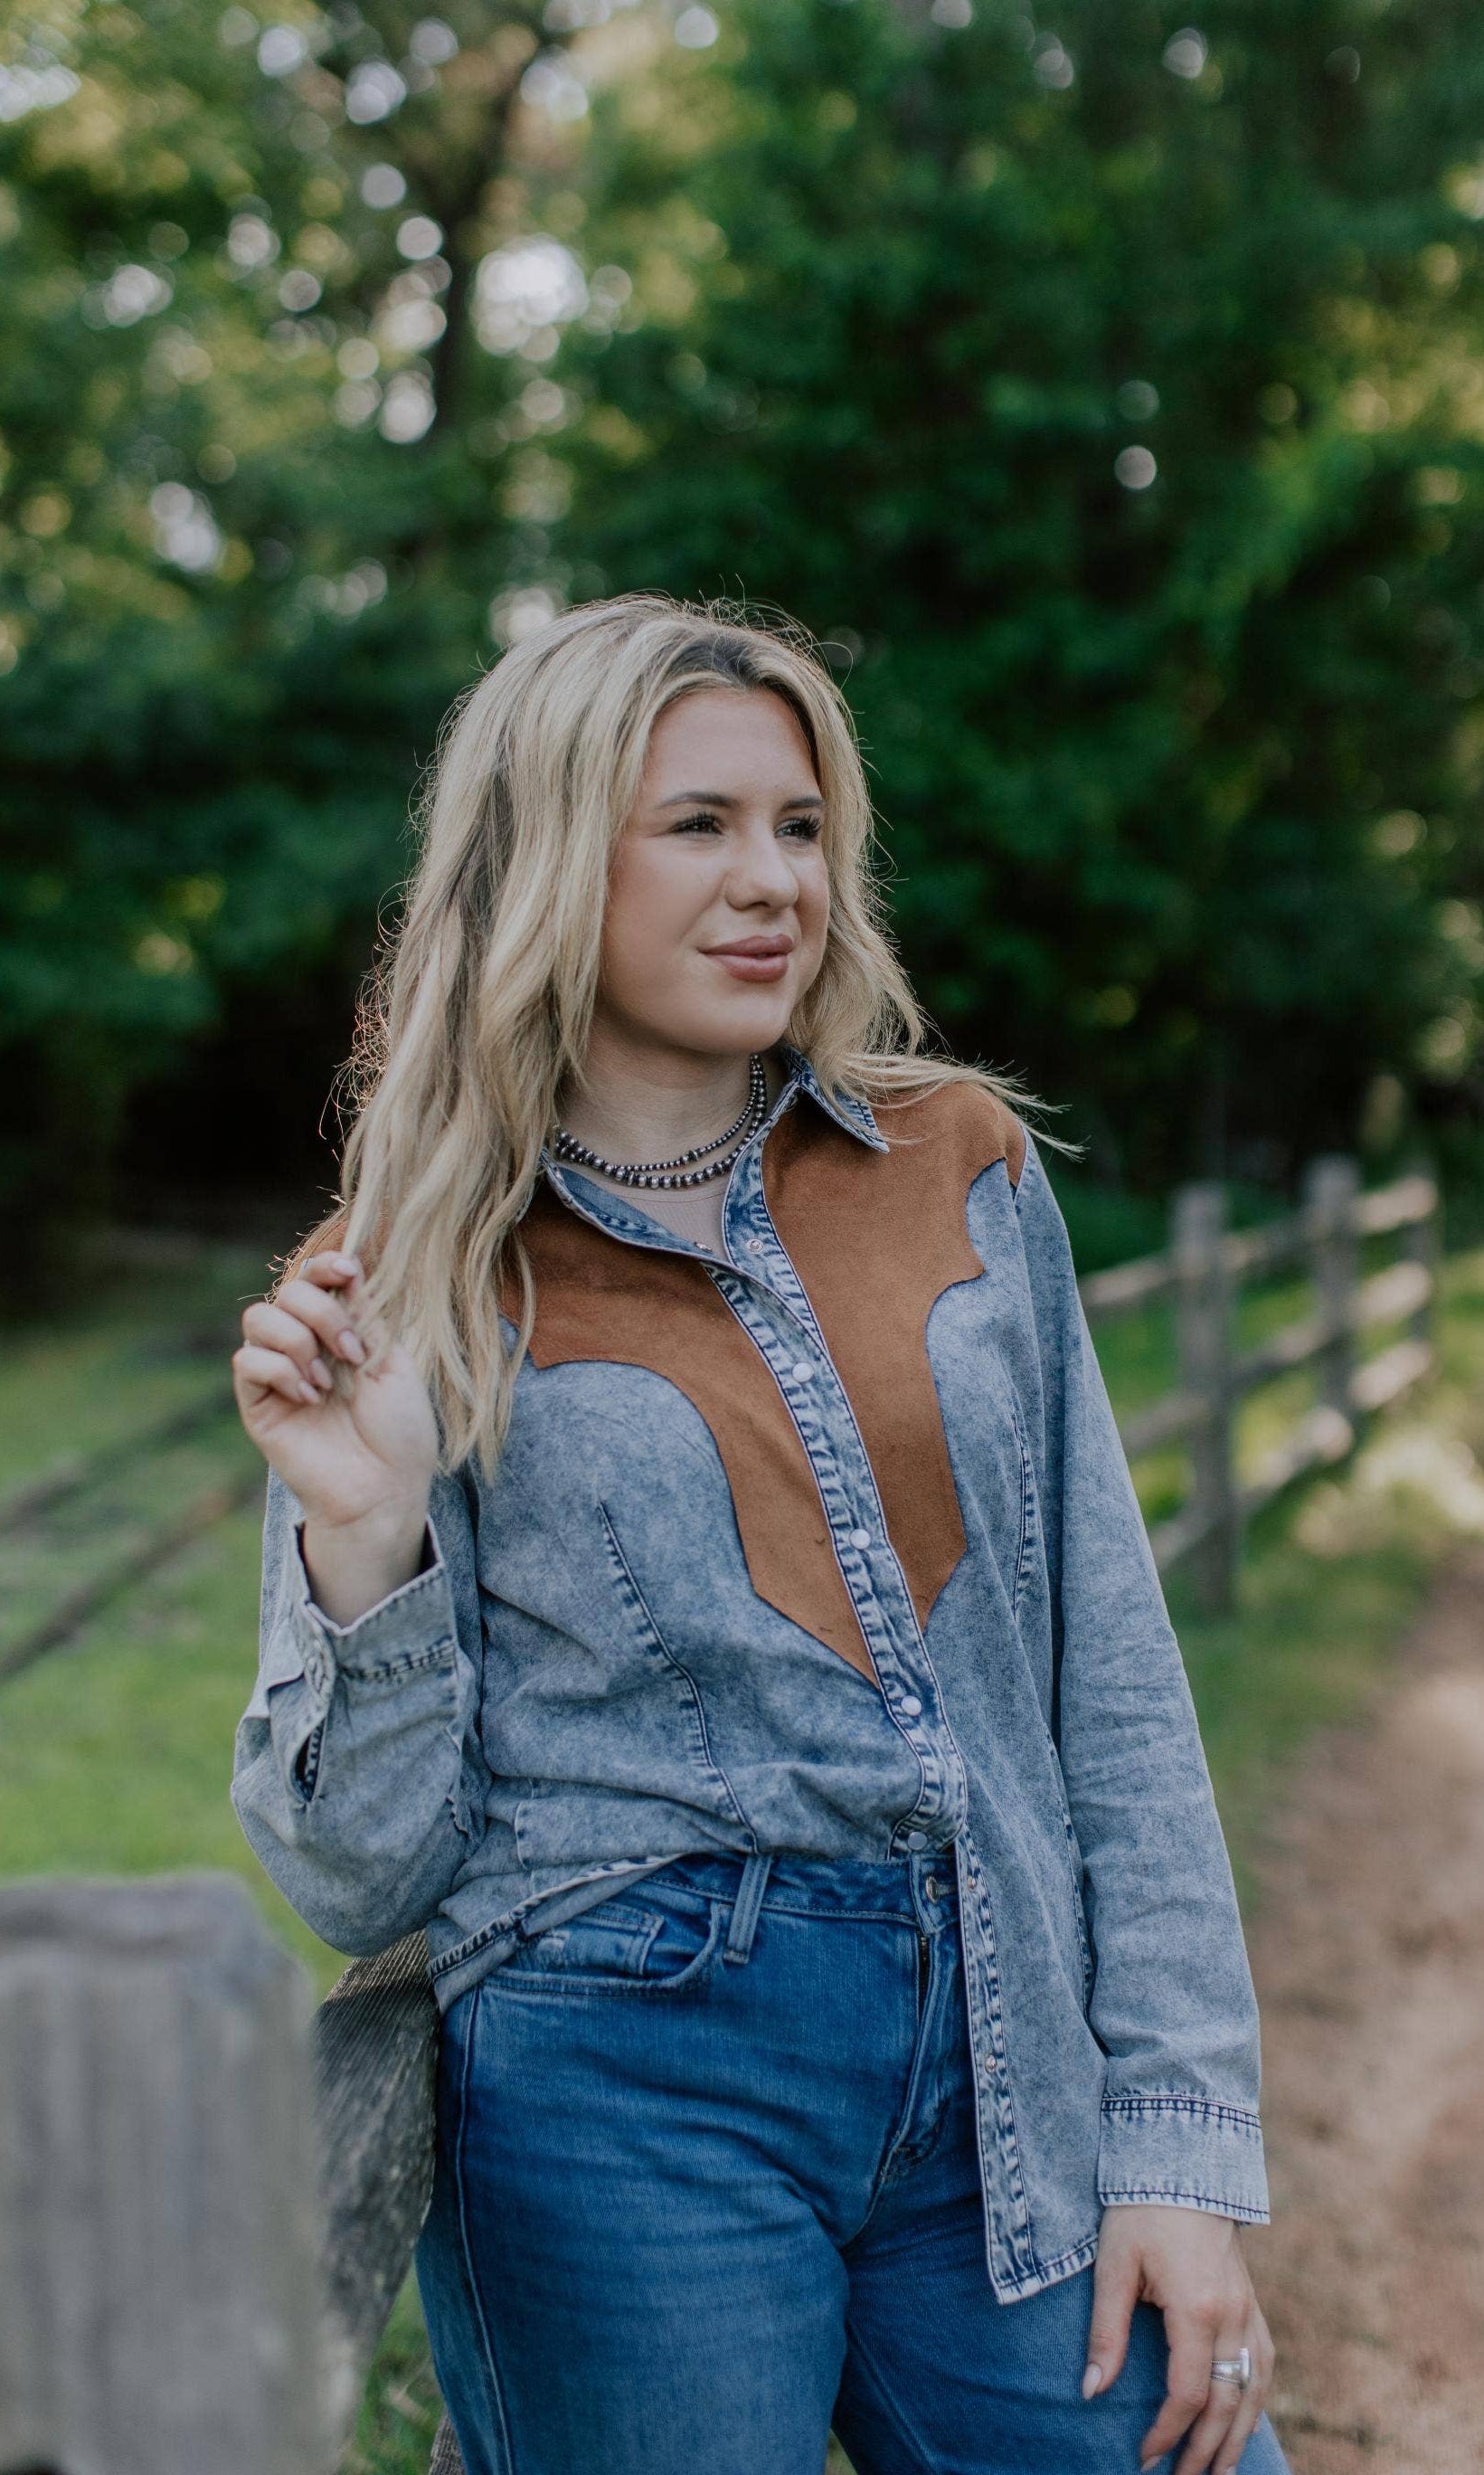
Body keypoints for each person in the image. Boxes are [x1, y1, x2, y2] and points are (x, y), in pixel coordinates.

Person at [230, 593, 1290, 2475]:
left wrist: (1180, 2146)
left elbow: (1107, 1685)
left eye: (798, 827)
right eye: (697, 825)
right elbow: (359, 1880)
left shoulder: (955, 1167)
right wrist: (362, 1539)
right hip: (618, 2092)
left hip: (1000, 2059)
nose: (771, 881)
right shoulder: (401, 1276)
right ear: (550, 858)